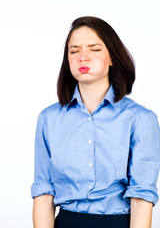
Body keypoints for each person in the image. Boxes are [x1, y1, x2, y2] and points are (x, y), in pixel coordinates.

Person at [31, 16, 160, 228]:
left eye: (94, 49)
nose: (83, 57)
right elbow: (44, 194)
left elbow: (141, 198)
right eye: (74, 51)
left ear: (112, 58)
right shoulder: (48, 119)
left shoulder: (140, 119)